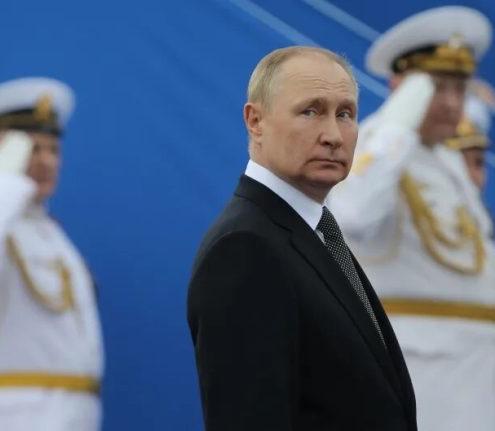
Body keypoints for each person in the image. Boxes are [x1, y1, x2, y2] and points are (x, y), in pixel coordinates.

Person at [187, 46, 417, 431]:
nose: (333, 136)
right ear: (255, 121)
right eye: (310, 111)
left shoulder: (314, 234)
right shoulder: (245, 249)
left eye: (345, 114)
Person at [328, 6, 495, 431]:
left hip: (474, 373)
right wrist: (399, 122)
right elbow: (353, 214)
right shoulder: (377, 146)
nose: (452, 104)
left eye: (460, 89)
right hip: (424, 375)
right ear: (401, 86)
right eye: (436, 87)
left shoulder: (446, 160)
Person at [0, 77, 104, 431]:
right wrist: (3, 178)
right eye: (30, 150)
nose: (46, 161)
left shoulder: (52, 235)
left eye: (53, 150)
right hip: (12, 417)